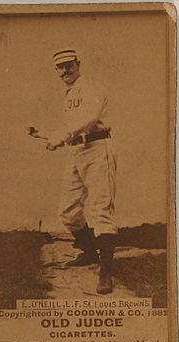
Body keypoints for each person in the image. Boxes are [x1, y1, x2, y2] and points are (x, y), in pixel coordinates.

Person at [30, 49, 117, 294]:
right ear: (56, 71)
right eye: (60, 67)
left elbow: (89, 120)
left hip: (98, 148)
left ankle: (106, 273)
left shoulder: (92, 86)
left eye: (69, 65)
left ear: (78, 64)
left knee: (101, 209)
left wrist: (63, 137)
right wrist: (44, 134)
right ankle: (90, 254)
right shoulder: (68, 94)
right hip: (77, 151)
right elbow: (70, 128)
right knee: (67, 211)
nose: (65, 70)